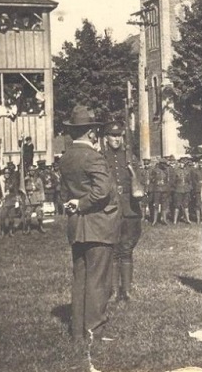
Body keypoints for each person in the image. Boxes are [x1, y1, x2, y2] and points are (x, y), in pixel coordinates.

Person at [58, 105, 119, 341]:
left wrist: (76, 204)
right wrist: (83, 203)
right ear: (91, 132)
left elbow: (66, 194)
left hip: (76, 225)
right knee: (98, 280)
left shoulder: (66, 158)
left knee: (80, 278)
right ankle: (94, 330)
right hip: (98, 224)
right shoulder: (93, 157)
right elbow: (102, 191)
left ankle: (77, 331)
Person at [100, 121, 143, 302]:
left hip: (130, 209)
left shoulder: (129, 157)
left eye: (119, 136)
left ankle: (127, 291)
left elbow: (139, 181)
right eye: (113, 135)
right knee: (113, 250)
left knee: (127, 249)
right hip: (110, 209)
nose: (116, 139)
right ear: (106, 138)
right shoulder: (100, 158)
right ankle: (113, 292)